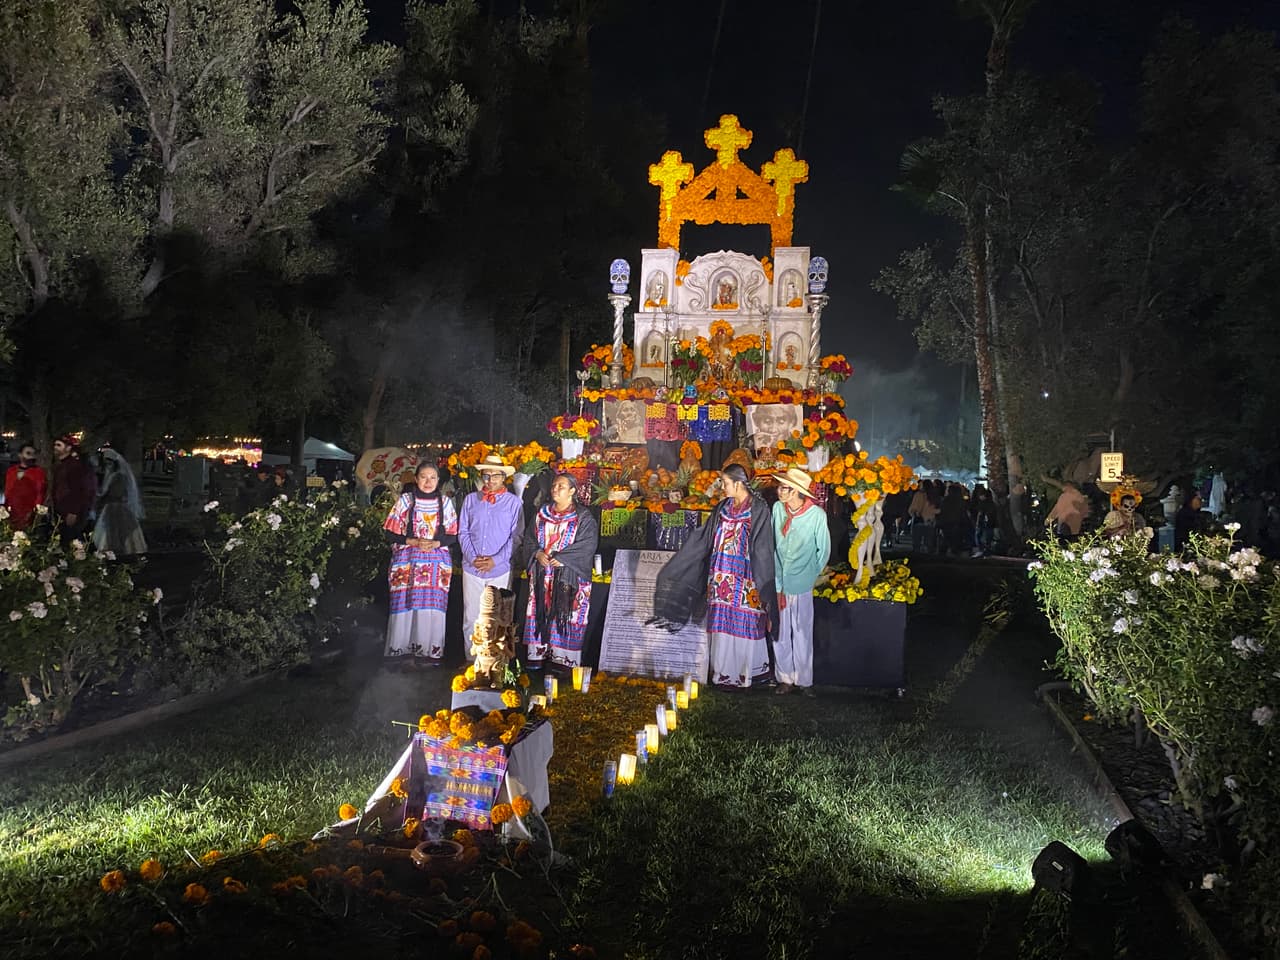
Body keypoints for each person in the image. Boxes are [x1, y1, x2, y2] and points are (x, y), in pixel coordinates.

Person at [654, 463, 778, 689]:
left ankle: (746, 673)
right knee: (722, 623)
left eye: (726, 482)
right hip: (721, 574)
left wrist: (763, 579)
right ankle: (723, 674)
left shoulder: (758, 509)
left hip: (746, 575)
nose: (722, 487)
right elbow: (704, 538)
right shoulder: (722, 507)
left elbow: (763, 547)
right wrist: (682, 562)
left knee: (744, 619)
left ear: (739, 483)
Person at [382, 462, 458, 667]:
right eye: (423, 477)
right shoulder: (405, 501)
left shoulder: (445, 503)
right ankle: (401, 652)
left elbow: (453, 534)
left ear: (438, 481)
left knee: (431, 606)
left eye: (432, 478)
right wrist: (412, 542)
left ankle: (428, 653)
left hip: (435, 564)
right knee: (404, 604)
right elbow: (389, 532)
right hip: (407, 562)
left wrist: (436, 543)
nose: (428, 482)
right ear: (416, 479)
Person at [522, 473, 599, 673]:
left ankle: (563, 661)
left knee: (567, 615)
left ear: (572, 491)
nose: (555, 489)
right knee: (541, 611)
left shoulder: (583, 517)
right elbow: (529, 539)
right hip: (542, 577)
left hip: (568, 578)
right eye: (554, 485)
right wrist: (537, 553)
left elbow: (588, 545)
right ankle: (538, 658)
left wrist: (564, 558)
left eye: (561, 486)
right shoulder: (541, 514)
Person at [771, 468, 830, 696]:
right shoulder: (778, 509)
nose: (779, 491)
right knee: (780, 631)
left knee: (803, 630)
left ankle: (804, 680)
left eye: (783, 488)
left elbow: (823, 550)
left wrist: (811, 574)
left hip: (802, 582)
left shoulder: (816, 515)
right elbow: (772, 540)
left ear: (795, 491)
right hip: (779, 582)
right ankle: (784, 677)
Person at [458, 454, 524, 646]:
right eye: (487, 475)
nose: (490, 480)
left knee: (499, 616)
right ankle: (471, 662)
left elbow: (516, 536)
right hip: (472, 568)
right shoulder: (471, 500)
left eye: (495, 475)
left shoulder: (514, 503)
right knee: (471, 616)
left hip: (499, 569)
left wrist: (495, 560)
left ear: (504, 477)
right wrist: (472, 557)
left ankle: (496, 662)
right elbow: (462, 532)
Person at [93, 448, 147, 557]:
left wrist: (102, 497)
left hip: (115, 506)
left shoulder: (119, 476)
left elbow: (114, 493)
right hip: (111, 506)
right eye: (106, 463)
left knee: (116, 529)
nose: (108, 465)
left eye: (110, 463)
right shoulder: (112, 475)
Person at [51, 434, 97, 544]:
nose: (55, 447)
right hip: (61, 509)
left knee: (72, 540)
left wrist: (73, 511)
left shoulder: (74, 466)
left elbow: (79, 490)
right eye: (54, 445)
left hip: (70, 511)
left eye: (59, 445)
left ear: (68, 448)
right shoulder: (61, 465)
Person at [3, 442, 46, 530]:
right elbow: (7, 490)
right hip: (12, 510)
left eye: (33, 454)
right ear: (20, 455)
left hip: (28, 511)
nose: (31, 457)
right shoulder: (11, 471)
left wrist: (36, 511)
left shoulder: (38, 472)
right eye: (28, 453)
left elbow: (40, 493)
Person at [969, 484, 997, 557]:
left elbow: (980, 513)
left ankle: (983, 550)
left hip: (985, 522)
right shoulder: (990, 503)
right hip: (989, 523)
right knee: (987, 537)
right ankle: (986, 550)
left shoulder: (983, 503)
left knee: (980, 536)